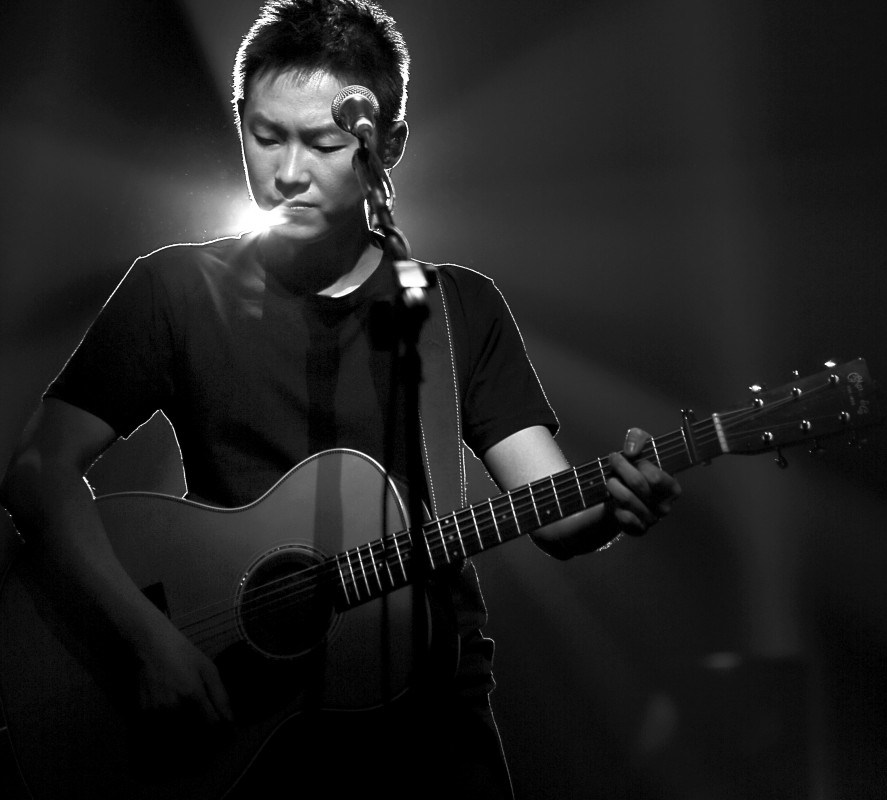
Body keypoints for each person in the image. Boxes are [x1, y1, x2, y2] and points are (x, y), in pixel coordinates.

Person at [0, 1, 681, 797]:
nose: (288, 172)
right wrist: (145, 639)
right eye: (265, 136)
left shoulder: (454, 311)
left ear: (387, 146)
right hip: (245, 723)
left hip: (433, 728)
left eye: (323, 144)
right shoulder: (174, 291)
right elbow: (39, 469)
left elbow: (556, 512)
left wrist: (612, 505)